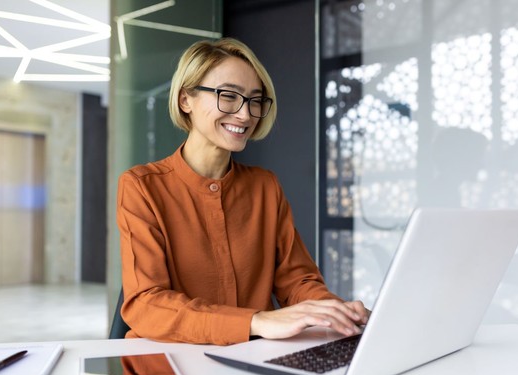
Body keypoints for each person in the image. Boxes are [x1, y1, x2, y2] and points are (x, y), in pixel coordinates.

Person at [116, 37, 369, 346]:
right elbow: (146, 304)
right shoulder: (142, 187)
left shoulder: (265, 187)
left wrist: (331, 312)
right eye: (229, 96)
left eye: (254, 100)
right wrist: (254, 321)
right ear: (186, 100)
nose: (246, 115)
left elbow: (297, 280)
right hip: (171, 364)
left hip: (249, 362)